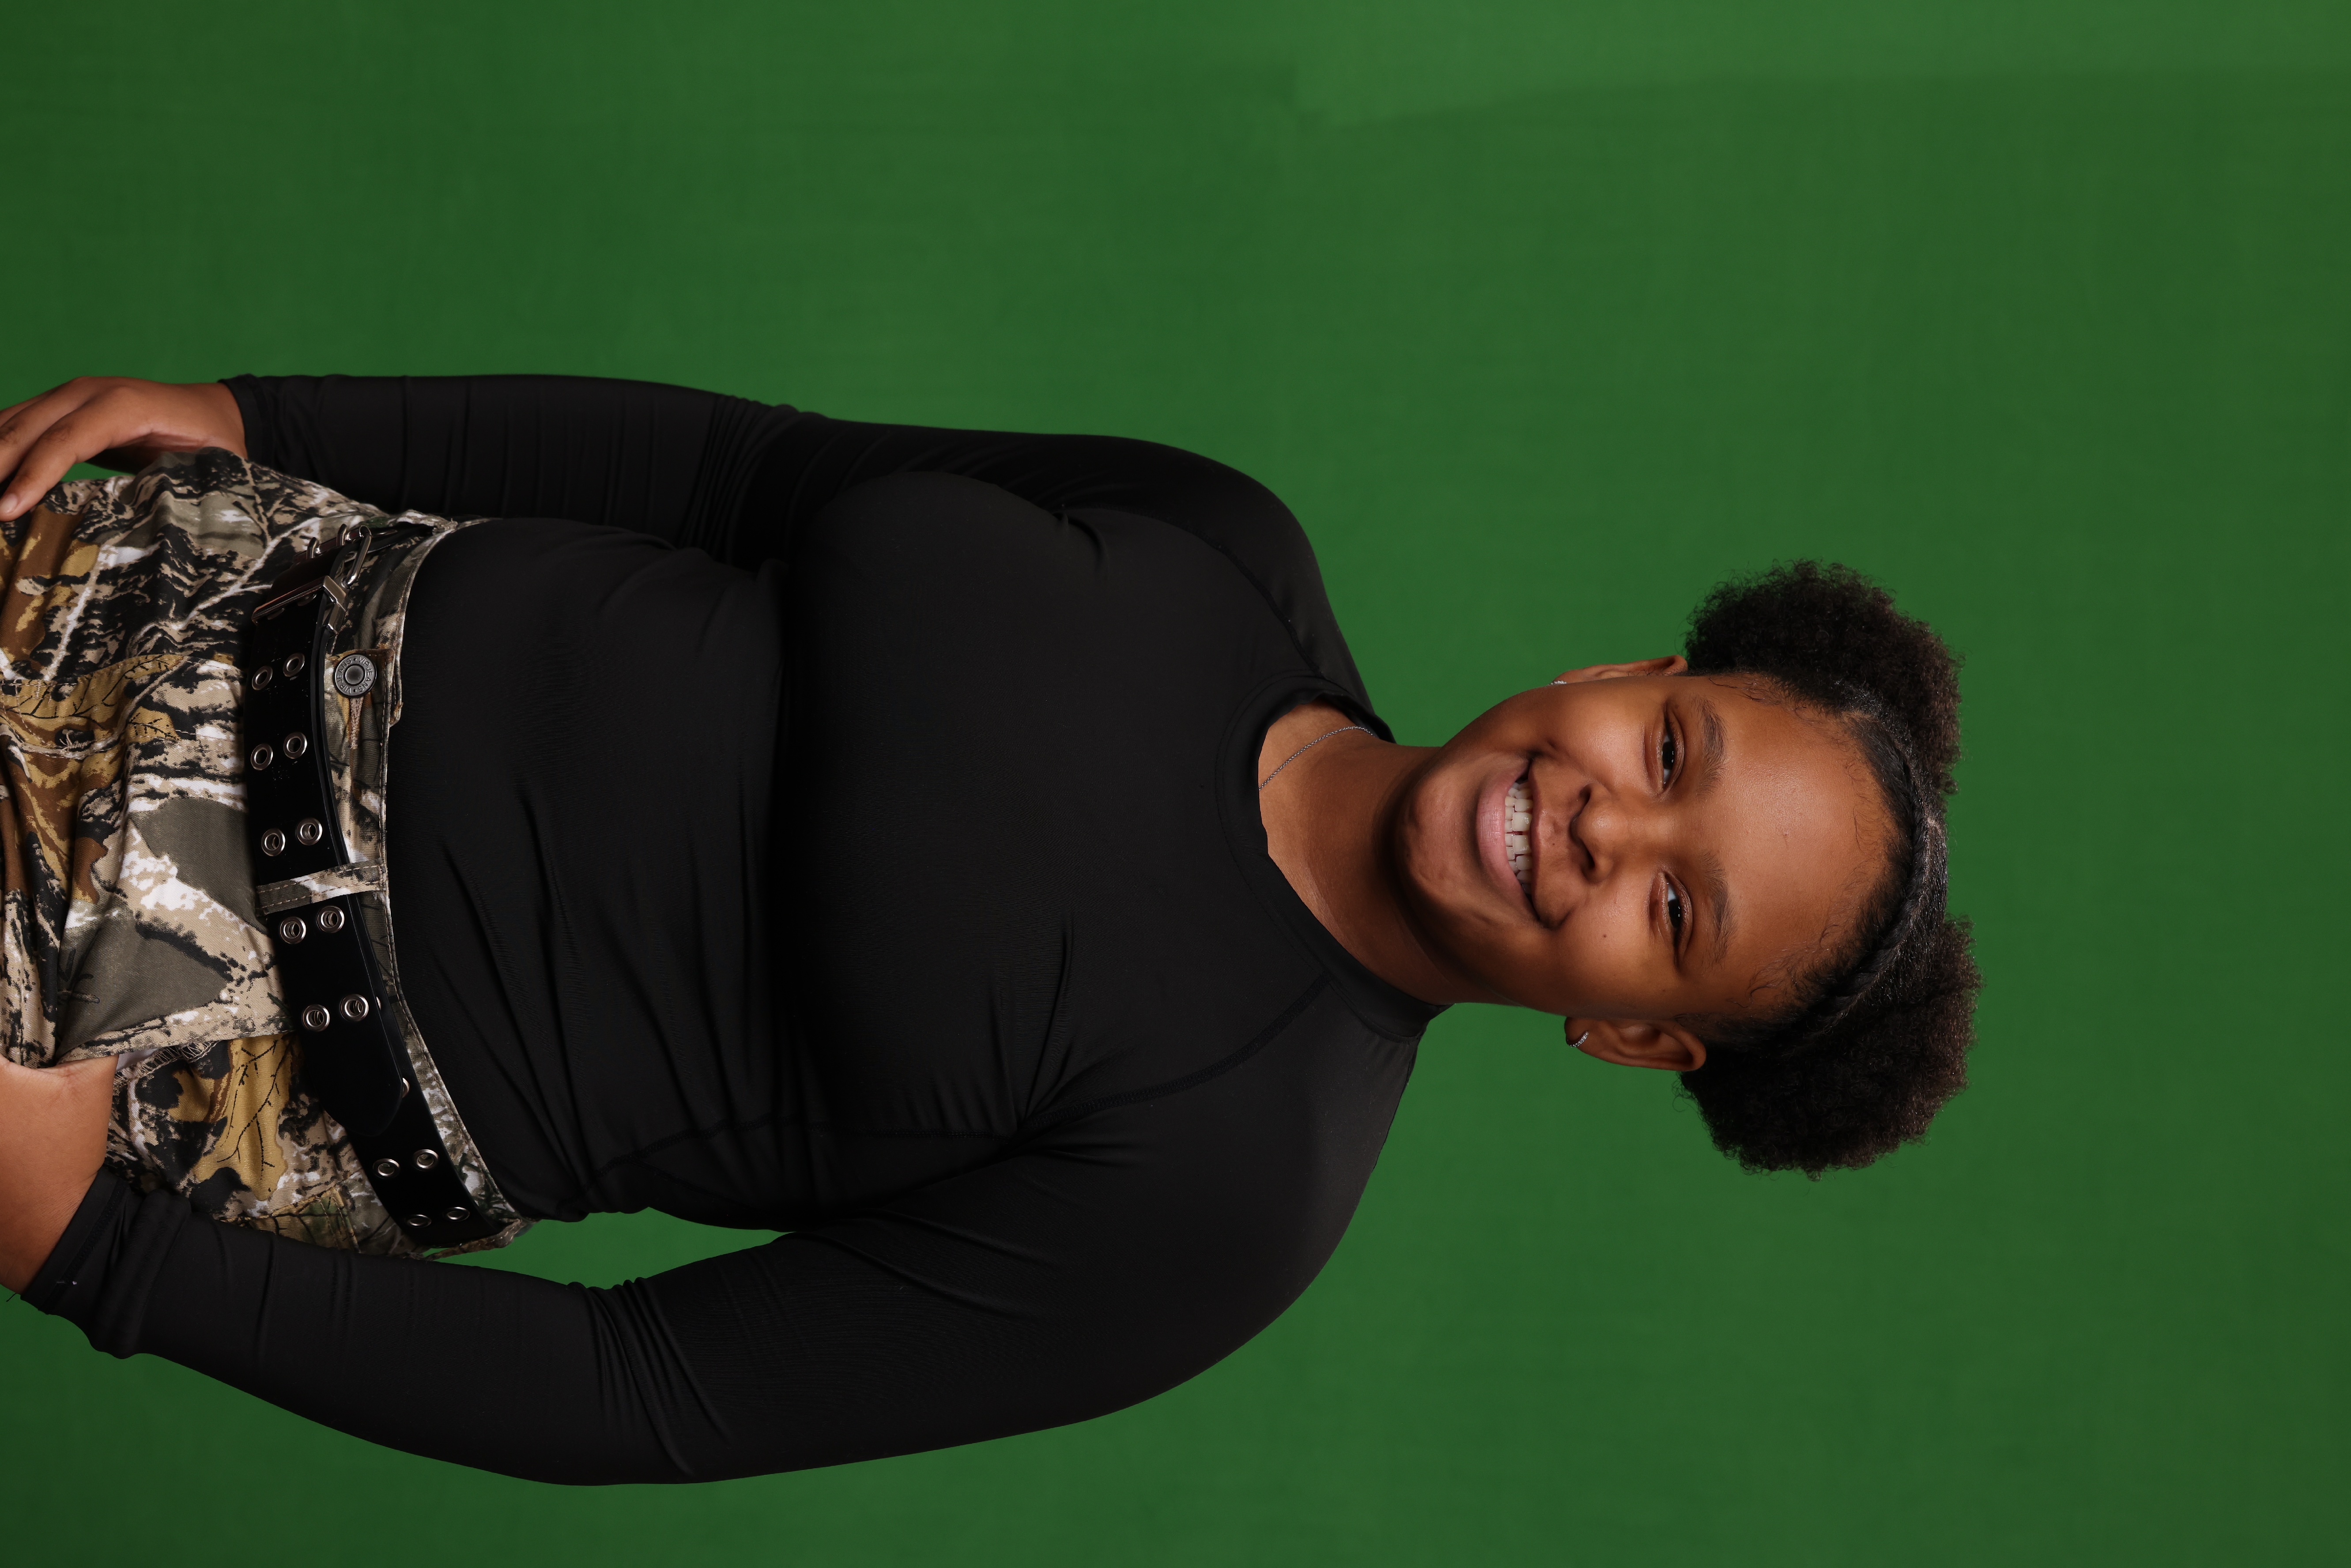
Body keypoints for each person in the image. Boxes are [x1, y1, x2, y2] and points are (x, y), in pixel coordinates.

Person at [0, 374, 1978, 1482]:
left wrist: (100, 1252)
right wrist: (265, 411)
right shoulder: (1220, 542)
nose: (1607, 824)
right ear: (1629, 672)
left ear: (1636, 1034)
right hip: (169, 583)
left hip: (171, 1020)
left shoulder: (1233, 1199)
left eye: (1676, 910)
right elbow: (735, 471)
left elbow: (649, 1393)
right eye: (1671, 750)